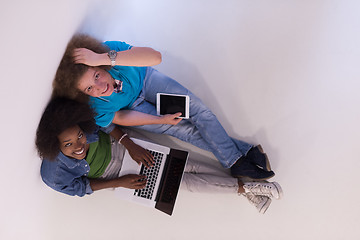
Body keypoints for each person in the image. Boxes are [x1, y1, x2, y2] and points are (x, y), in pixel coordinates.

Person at [52, 34, 275, 180]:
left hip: (147, 80)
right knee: (185, 131)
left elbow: (155, 57)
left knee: (199, 112)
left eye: (97, 75)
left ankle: (235, 161)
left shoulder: (109, 53)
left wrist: (102, 57)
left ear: (98, 65)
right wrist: (160, 120)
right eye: (89, 89)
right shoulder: (93, 106)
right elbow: (120, 117)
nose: (99, 87)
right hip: (135, 108)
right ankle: (244, 152)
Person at [36, 97, 283, 213]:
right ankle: (247, 189)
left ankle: (248, 189)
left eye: (79, 136)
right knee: (183, 184)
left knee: (187, 164)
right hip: (116, 176)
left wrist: (129, 143)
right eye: (68, 145)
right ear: (53, 146)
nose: (78, 145)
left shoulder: (84, 122)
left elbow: (105, 124)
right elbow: (81, 188)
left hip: (125, 148)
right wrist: (118, 183)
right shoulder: (53, 175)